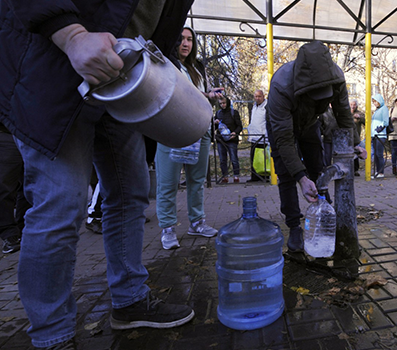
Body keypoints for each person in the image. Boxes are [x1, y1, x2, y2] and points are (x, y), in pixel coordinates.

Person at [0, 1, 197, 348]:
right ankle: (52, 334)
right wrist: (72, 34)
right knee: (61, 201)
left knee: (131, 190)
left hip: (123, 79)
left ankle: (130, 298)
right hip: (54, 69)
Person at [266, 41, 366, 253]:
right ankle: (294, 225)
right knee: (286, 174)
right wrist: (301, 178)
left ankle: (325, 209)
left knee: (317, 165)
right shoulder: (281, 87)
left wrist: (356, 143)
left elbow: (343, 114)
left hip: (311, 122)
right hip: (282, 126)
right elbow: (284, 140)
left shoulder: (336, 78)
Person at [155, 27, 219, 250]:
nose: (185, 43)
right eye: (181, 38)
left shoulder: (198, 67)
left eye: (190, 40)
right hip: (172, 129)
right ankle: (168, 228)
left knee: (197, 180)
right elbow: (175, 93)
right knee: (168, 182)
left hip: (200, 130)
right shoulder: (166, 63)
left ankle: (197, 222)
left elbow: (202, 97)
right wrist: (206, 95)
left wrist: (213, 97)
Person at [0, 121, 28, 254]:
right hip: (6, 131)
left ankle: (24, 227)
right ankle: (8, 232)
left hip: (31, 132)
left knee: (31, 183)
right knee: (5, 186)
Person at [215, 96, 243, 183]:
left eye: (224, 103)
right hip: (221, 140)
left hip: (232, 140)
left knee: (234, 158)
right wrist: (215, 123)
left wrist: (235, 133)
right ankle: (224, 176)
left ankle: (236, 176)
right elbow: (215, 128)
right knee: (222, 159)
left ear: (227, 103)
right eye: (220, 104)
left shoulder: (234, 113)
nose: (222, 105)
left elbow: (239, 126)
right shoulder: (218, 113)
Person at [248, 89, 269, 182]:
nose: (257, 98)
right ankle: (254, 177)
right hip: (253, 137)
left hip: (262, 137)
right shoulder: (254, 106)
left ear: (263, 96)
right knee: (253, 158)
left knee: (262, 158)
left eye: (259, 96)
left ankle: (264, 176)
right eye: (256, 96)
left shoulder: (267, 106)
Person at [370, 94, 390, 178]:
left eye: (376, 101)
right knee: (376, 154)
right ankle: (377, 171)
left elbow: (386, 121)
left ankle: (381, 172)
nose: (374, 103)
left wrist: (380, 128)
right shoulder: (377, 110)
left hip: (380, 135)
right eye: (373, 102)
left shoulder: (384, 109)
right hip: (375, 135)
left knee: (379, 154)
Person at [350, 100, 365, 176]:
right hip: (347, 137)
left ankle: (355, 170)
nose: (352, 106)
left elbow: (366, 122)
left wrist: (360, 118)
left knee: (356, 153)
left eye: (354, 104)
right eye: (351, 104)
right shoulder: (346, 113)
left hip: (355, 137)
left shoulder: (359, 113)